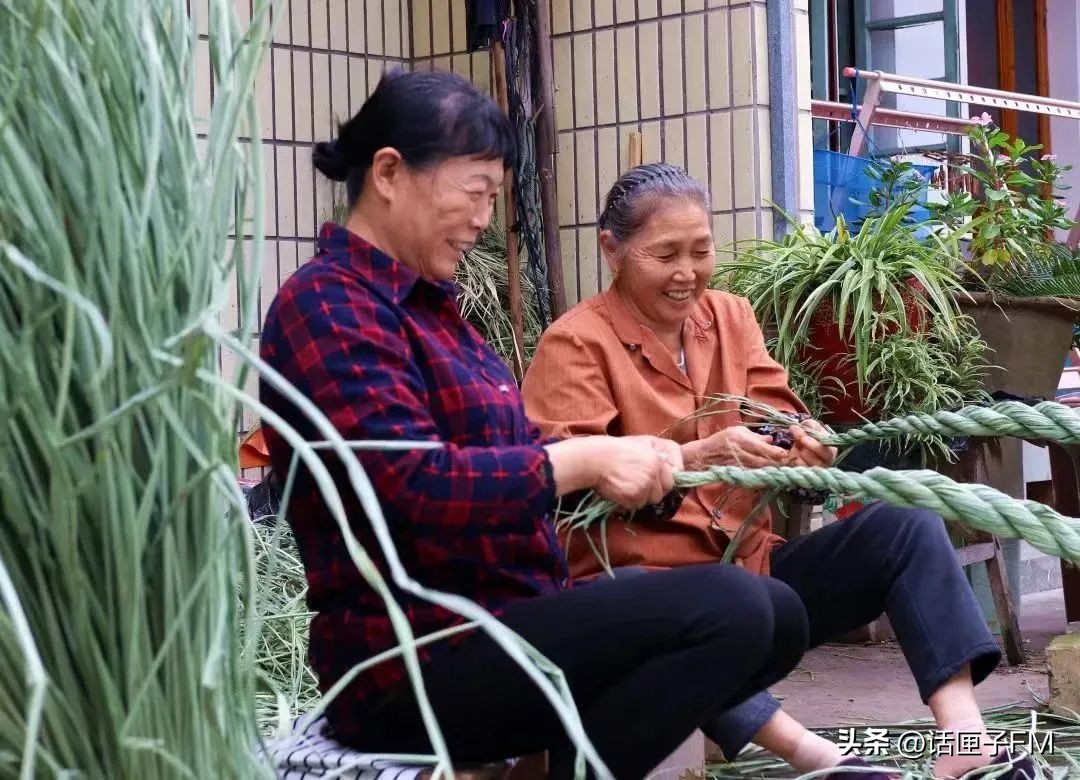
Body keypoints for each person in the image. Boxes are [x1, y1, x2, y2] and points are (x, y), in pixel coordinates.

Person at [258, 70, 812, 780]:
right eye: (476, 191)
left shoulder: (436, 310)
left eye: (493, 197)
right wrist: (584, 461)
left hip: (513, 617)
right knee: (732, 608)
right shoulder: (330, 307)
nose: (484, 219)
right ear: (390, 173)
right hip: (415, 653)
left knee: (777, 613)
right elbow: (408, 487)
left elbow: (519, 456)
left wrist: (647, 459)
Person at [521, 162, 1036, 780]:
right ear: (612, 250)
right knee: (706, 612)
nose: (687, 273)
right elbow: (569, 490)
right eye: (665, 255)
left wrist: (802, 444)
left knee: (906, 528)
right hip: (640, 596)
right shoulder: (575, 344)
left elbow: (777, 412)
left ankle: (965, 745)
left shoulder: (729, 317)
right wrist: (697, 455)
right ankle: (822, 761)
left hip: (752, 570)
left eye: (701, 251)